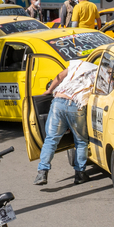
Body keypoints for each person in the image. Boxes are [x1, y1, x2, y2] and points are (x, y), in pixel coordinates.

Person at [33, 56, 99, 186]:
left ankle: (42, 172)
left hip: (58, 102)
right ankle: (80, 174)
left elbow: (60, 76)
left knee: (51, 139)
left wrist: (49, 90)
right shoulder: (98, 71)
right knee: (80, 141)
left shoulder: (77, 65)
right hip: (76, 105)